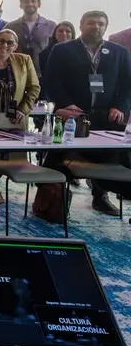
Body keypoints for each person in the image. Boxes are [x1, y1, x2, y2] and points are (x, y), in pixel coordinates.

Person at [45, 11, 131, 216]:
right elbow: (52, 80)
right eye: (91, 23)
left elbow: (128, 84)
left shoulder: (119, 51)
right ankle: (53, 198)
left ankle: (100, 196)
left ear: (106, 27)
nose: (96, 27)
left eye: (101, 23)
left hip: (107, 116)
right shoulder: (62, 49)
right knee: (59, 156)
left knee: (111, 158)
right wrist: (65, 105)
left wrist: (120, 106)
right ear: (81, 25)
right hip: (72, 114)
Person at [0, 28, 41, 208]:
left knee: (6, 158)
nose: (5, 45)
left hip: (14, 118)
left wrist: (23, 109)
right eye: (1, 41)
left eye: (10, 42)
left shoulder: (24, 61)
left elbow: (34, 88)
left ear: (15, 46)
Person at [4, 0, 57, 78]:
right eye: (26, 2)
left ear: (39, 4)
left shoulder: (51, 26)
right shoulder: (10, 26)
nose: (30, 4)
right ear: (21, 5)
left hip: (43, 74)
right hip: (17, 73)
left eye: (33, 1)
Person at [38, 21, 76, 94]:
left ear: (72, 35)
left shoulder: (80, 51)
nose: (64, 34)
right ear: (55, 34)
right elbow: (47, 78)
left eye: (68, 31)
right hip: (53, 92)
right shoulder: (45, 53)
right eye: (60, 31)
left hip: (74, 90)